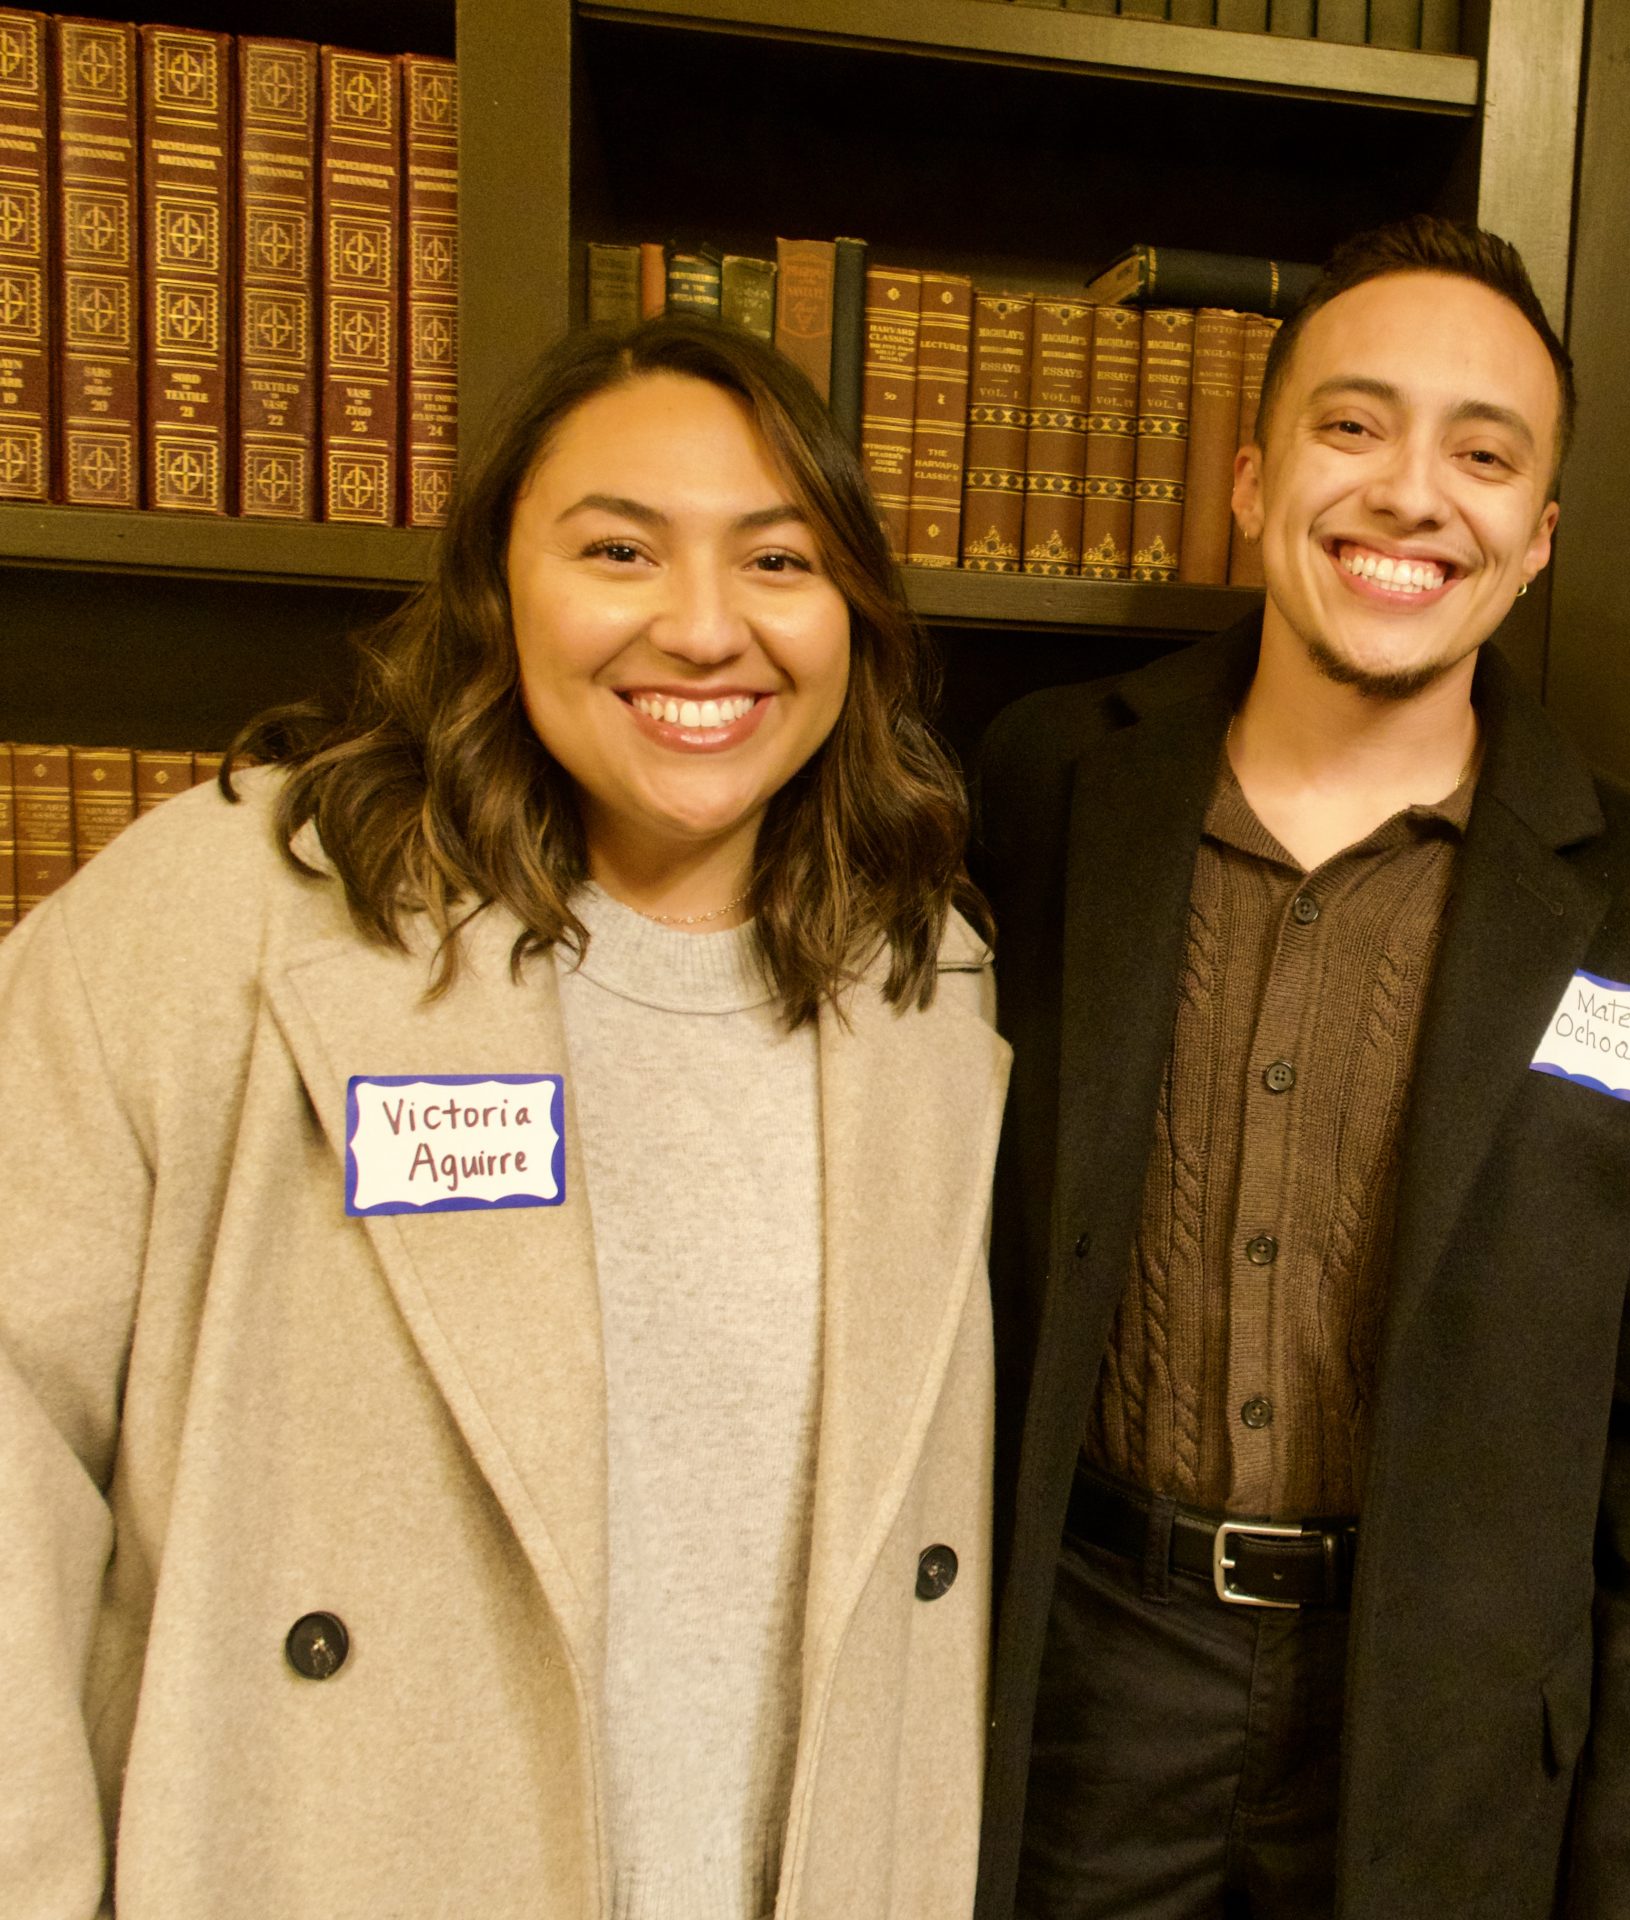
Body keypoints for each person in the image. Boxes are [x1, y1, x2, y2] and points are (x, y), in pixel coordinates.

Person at [0, 314, 1006, 1918]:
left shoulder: (925, 986)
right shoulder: (224, 919)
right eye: (619, 548)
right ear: (497, 586)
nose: (701, 629)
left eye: (777, 562)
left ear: (854, 623)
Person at [970, 215, 1630, 1919]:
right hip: (1081, 1695)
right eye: (1355, 427)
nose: (1413, 494)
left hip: (1448, 1739)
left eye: (1484, 456)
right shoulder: (1039, 795)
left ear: (1536, 539)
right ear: (1253, 482)